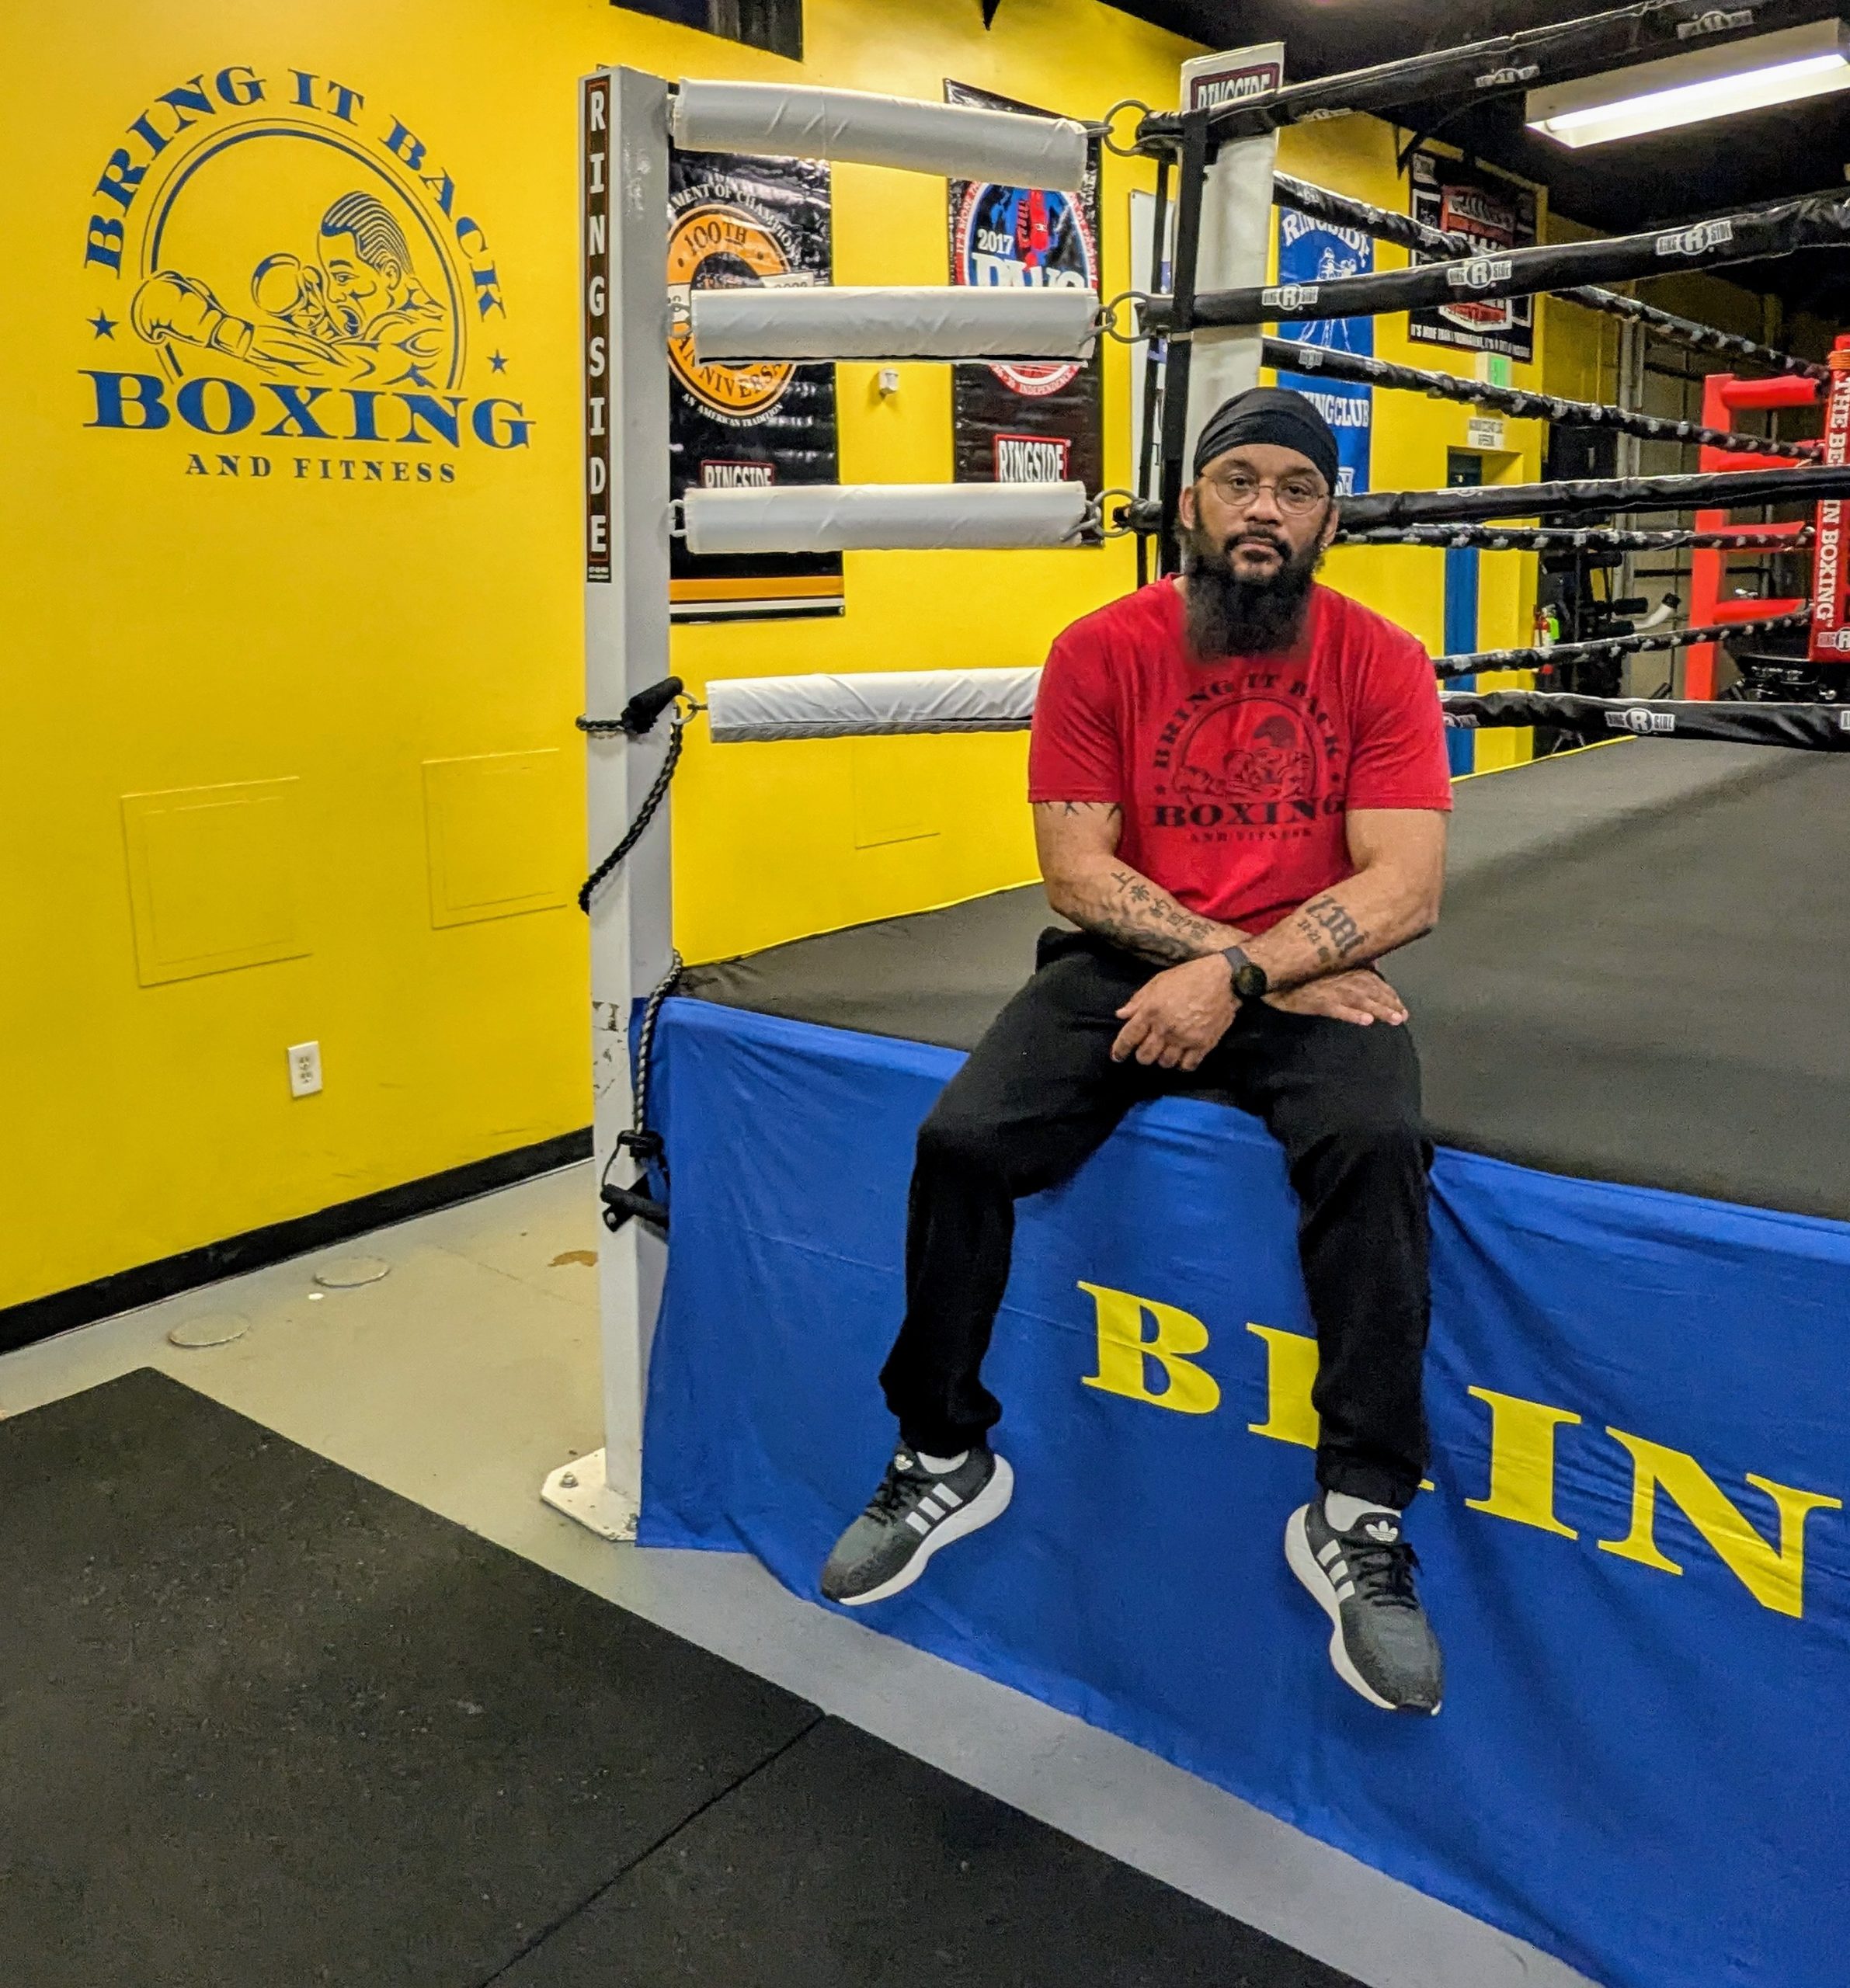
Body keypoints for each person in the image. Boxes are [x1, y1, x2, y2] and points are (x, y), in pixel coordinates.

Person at [820, 387, 1455, 1715]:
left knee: (1376, 1143)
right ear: (1188, 506)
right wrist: (1214, 962)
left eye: (1296, 489)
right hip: (1132, 955)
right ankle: (942, 1451)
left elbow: (1404, 885)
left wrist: (1242, 975)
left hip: (1300, 968)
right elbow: (1075, 872)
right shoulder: (1099, 650)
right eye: (1240, 483)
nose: (1264, 510)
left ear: (1329, 521)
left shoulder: (1382, 658)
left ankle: (1357, 1509)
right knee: (961, 1143)